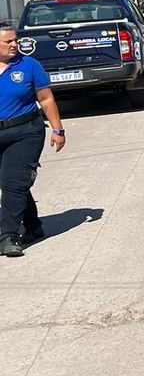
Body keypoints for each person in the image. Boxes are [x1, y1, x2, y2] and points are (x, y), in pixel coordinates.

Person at [0, 22, 66, 258]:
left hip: (25, 131)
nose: (15, 44)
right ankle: (33, 225)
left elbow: (46, 99)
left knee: (13, 183)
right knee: (10, 183)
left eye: (15, 40)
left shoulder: (28, 65)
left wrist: (58, 130)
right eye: (9, 41)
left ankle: (7, 236)